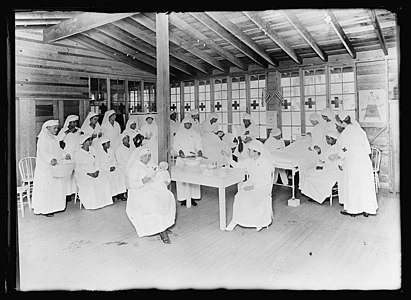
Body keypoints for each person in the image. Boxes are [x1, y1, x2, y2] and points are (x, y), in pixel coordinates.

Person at [126, 147, 176, 244]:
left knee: (168, 196)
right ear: (140, 156)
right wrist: (142, 181)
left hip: (151, 187)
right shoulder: (134, 167)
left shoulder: (151, 164)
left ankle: (164, 225)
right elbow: (132, 185)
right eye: (145, 156)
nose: (148, 158)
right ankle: (162, 232)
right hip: (139, 191)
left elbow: (157, 172)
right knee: (154, 202)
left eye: (149, 156)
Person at [225, 140, 274, 232]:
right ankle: (236, 220)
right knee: (239, 196)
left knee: (251, 196)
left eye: (249, 150)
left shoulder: (266, 163)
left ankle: (258, 222)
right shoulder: (249, 161)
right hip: (250, 183)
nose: (247, 152)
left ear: (256, 152)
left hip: (262, 186)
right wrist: (227, 157)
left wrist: (253, 187)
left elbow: (267, 181)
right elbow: (237, 165)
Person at [337, 110, 378, 217]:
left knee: (353, 184)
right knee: (364, 184)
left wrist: (341, 162)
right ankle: (367, 209)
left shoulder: (345, 133)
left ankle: (353, 209)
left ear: (342, 122)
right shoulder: (360, 131)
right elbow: (368, 149)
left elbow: (343, 150)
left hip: (352, 161)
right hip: (363, 160)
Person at [31, 120, 72, 217]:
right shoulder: (43, 138)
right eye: (54, 128)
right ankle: (46, 209)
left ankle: (56, 207)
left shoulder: (54, 138)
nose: (56, 130)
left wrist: (65, 155)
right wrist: (50, 159)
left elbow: (58, 149)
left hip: (55, 166)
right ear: (47, 128)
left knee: (56, 187)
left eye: (57, 128)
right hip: (46, 168)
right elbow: (42, 152)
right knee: (47, 188)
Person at [300, 129, 343, 204]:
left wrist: (324, 167)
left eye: (328, 139)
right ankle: (315, 195)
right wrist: (319, 152)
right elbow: (324, 159)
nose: (327, 140)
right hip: (327, 168)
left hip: (334, 170)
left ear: (334, 139)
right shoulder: (329, 148)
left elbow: (338, 162)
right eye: (326, 138)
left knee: (317, 178)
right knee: (310, 175)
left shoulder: (338, 149)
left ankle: (322, 195)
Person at [73, 134, 113, 210]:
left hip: (95, 170)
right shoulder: (77, 153)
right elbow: (77, 168)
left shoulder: (92, 150)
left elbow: (98, 161)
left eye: (91, 139)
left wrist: (97, 170)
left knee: (104, 180)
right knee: (91, 184)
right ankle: (93, 204)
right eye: (88, 140)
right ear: (83, 142)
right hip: (83, 174)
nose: (90, 141)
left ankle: (104, 202)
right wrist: (88, 173)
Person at [172, 116, 203, 207]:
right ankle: (183, 198)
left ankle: (193, 197)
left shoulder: (195, 133)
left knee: (193, 178)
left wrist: (200, 150)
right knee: (182, 179)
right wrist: (179, 151)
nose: (188, 125)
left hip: (192, 160)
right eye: (186, 124)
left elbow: (199, 143)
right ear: (183, 124)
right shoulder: (179, 133)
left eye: (190, 124)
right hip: (182, 159)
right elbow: (175, 145)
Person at [56, 114, 82, 201]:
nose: (74, 124)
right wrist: (67, 132)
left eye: (75, 122)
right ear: (68, 123)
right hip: (68, 154)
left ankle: (76, 192)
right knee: (68, 174)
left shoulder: (79, 130)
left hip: (77, 153)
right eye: (72, 122)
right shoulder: (64, 130)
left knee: (77, 172)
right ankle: (67, 193)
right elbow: (58, 140)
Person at [96, 137, 127, 201]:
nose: (108, 144)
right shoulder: (99, 153)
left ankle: (120, 194)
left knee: (120, 174)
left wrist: (113, 166)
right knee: (110, 178)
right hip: (104, 170)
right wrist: (108, 168)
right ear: (103, 145)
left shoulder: (110, 151)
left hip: (112, 168)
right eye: (107, 143)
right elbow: (99, 164)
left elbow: (114, 160)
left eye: (108, 143)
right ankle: (112, 195)